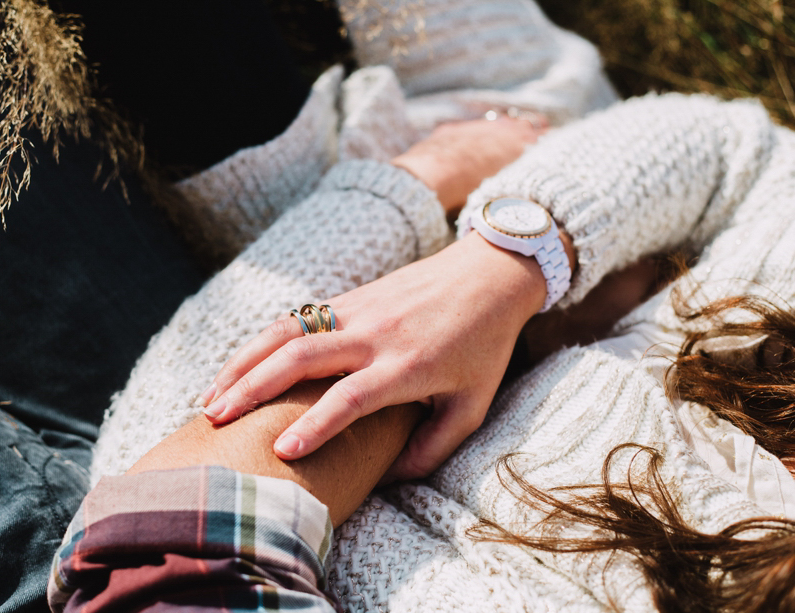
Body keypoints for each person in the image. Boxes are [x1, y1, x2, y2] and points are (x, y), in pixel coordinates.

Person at [0, 1, 617, 612]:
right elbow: (724, 139)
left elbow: (163, 520)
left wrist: (406, 197)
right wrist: (506, 266)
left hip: (42, 541)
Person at [55, 92, 795, 612]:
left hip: (239, 293)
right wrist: (507, 263)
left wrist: (416, 184)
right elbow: (750, 153)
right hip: (483, 196)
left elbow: (148, 518)